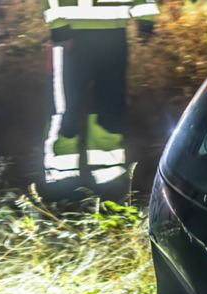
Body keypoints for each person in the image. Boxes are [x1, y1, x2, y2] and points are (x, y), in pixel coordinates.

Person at [42, 0, 158, 189]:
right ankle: (60, 178)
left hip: (114, 35)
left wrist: (145, 17)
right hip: (71, 35)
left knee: (110, 106)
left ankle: (108, 176)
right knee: (66, 106)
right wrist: (59, 27)